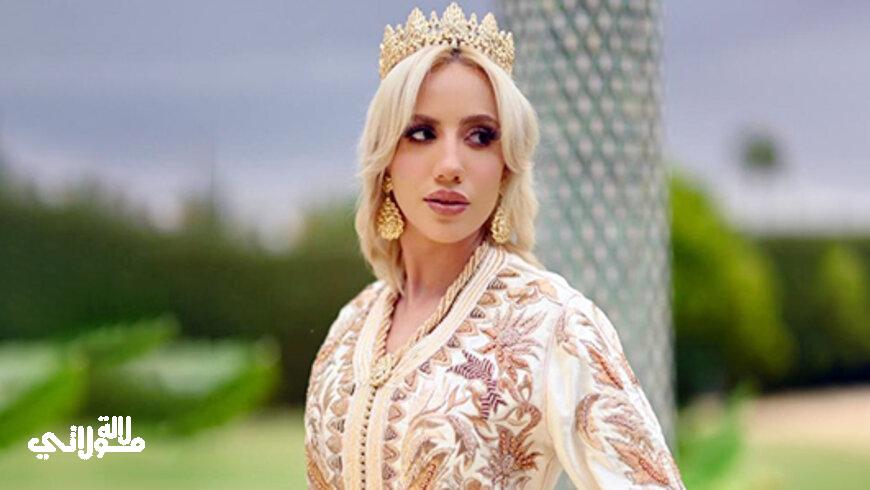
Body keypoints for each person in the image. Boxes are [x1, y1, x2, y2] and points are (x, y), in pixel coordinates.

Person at [303, 3, 684, 489]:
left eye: (480, 136)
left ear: (506, 167)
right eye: (421, 133)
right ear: (386, 160)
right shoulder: (349, 330)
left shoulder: (552, 324)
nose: (450, 165)